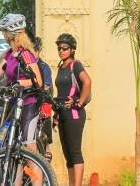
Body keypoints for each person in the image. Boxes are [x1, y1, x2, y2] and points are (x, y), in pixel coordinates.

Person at [0, 14, 43, 158]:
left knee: (28, 147)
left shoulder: (26, 54)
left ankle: (40, 178)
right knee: (14, 150)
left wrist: (19, 83)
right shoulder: (9, 54)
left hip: (29, 103)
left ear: (11, 34)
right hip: (14, 102)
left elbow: (38, 81)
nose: (3, 34)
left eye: (5, 31)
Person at [54, 33, 92, 186]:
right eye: (59, 48)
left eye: (65, 48)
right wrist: (55, 115)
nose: (61, 50)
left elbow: (87, 81)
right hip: (62, 113)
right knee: (68, 154)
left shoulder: (75, 64)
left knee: (75, 153)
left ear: (72, 49)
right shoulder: (61, 66)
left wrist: (79, 102)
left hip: (74, 114)